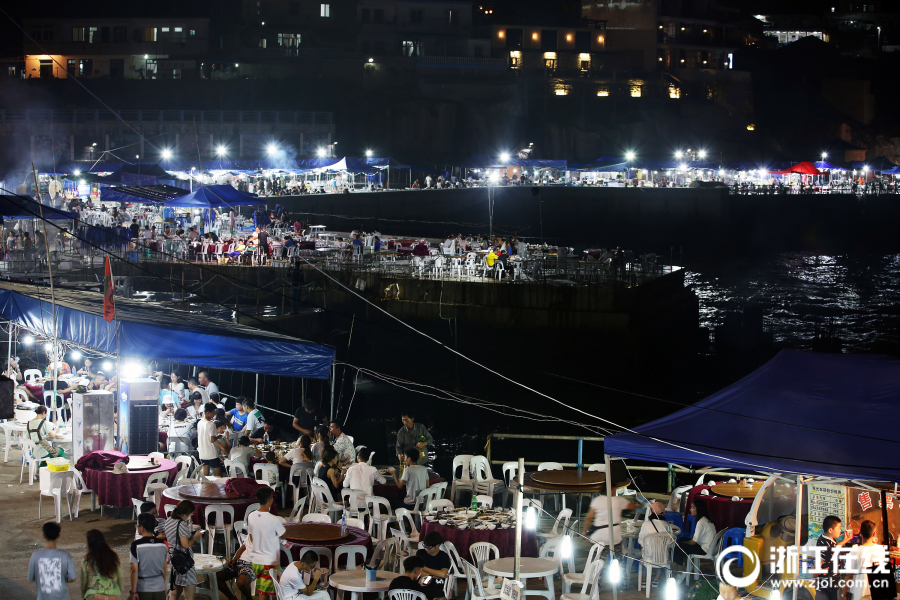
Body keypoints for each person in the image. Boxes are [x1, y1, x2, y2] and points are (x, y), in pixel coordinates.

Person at [246, 487, 286, 598]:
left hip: (256, 559)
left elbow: (251, 537)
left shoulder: (251, 516)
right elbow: (284, 535)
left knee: (262, 590)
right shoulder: (275, 519)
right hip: (269, 560)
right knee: (270, 593)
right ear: (270, 499)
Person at [165, 500, 204, 600]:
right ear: (184, 514)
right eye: (190, 514)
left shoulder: (169, 520)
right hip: (185, 562)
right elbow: (185, 545)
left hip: (174, 560)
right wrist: (195, 536)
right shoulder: (181, 524)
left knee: (174, 594)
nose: (191, 516)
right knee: (189, 597)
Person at [29, 521, 77, 600]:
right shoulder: (65, 555)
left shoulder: (35, 555)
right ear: (59, 536)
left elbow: (31, 577)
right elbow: (72, 578)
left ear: (43, 536)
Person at [130, 512, 169, 600]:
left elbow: (134, 569)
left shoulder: (136, 545)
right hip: (160, 587)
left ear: (142, 528)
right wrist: (164, 587)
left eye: (138, 526)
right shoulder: (162, 544)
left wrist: (133, 591)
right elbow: (164, 568)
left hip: (143, 588)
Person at [816, 515, 854, 600]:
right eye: (839, 528)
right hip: (826, 584)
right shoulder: (824, 542)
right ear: (830, 530)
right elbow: (831, 551)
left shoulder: (829, 539)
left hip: (832, 583)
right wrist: (813, 580)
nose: (840, 530)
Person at [80, 529, 123, 600]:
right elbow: (120, 576)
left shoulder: (86, 560)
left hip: (93, 595)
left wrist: (83, 594)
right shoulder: (113, 556)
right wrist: (119, 590)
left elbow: (83, 581)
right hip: (113, 595)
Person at [638, 502, 672, 588]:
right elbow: (671, 543)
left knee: (644, 555)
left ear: (651, 512)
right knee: (663, 553)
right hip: (663, 557)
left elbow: (641, 541)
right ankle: (656, 579)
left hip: (649, 556)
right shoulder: (667, 525)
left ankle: (644, 580)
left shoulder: (645, 524)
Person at [675, 499, 717, 567]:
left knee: (678, 547)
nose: (690, 509)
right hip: (709, 547)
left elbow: (693, 542)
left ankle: (680, 569)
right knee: (682, 539)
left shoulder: (701, 522)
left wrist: (680, 544)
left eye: (693, 507)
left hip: (704, 549)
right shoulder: (706, 519)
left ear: (699, 509)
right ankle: (686, 566)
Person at [850, 520, 884, 600]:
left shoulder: (855, 551)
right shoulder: (881, 549)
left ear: (860, 533)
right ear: (874, 533)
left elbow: (849, 575)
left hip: (859, 594)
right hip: (876, 593)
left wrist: (843, 594)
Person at [415, 531, 451, 600]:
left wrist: (423, 567)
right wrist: (433, 575)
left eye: (429, 547)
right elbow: (417, 572)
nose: (426, 549)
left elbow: (443, 574)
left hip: (437, 584)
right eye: (425, 546)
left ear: (437, 546)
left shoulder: (443, 556)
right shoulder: (420, 553)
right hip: (422, 582)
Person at [198, 402, 223, 476]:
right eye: (213, 412)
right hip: (212, 453)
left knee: (205, 475)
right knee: (218, 475)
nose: (214, 414)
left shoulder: (199, 423)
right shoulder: (212, 424)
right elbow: (212, 439)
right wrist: (218, 436)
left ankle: (205, 487)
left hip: (202, 453)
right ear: (208, 412)